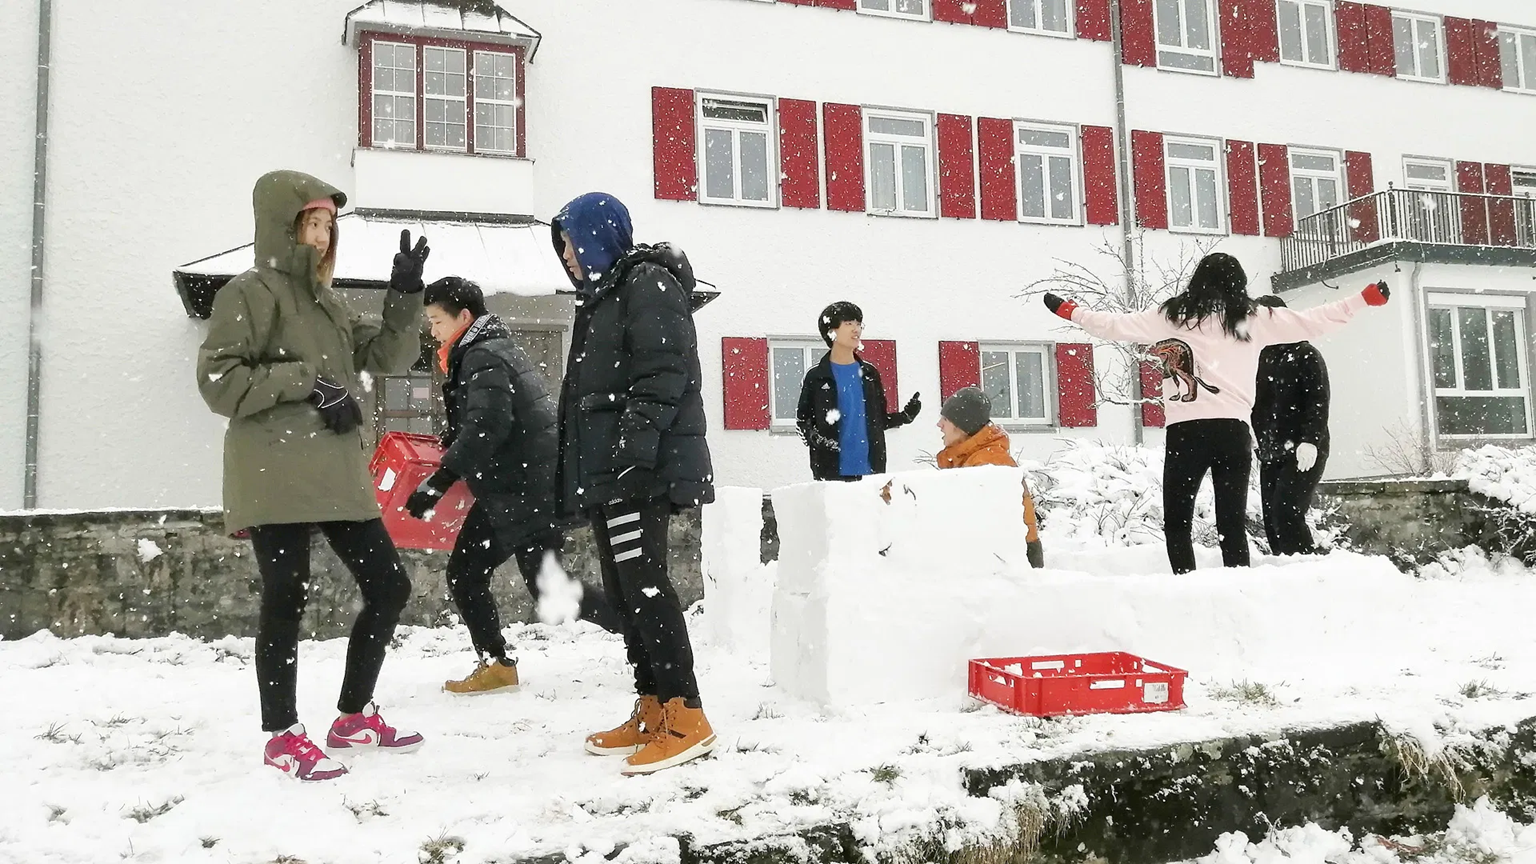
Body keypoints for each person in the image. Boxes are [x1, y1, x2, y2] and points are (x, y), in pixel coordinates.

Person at [196, 170, 428, 781]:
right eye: (312, 223)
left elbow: (389, 356)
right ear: (285, 225)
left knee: (389, 587)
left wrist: (404, 295)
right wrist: (307, 383)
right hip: (274, 470)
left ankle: (352, 716)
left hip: (335, 472)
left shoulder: (327, 302)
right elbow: (218, 381)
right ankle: (282, 735)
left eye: (328, 225)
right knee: (287, 596)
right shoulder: (247, 293)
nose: (323, 236)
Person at [1042, 252, 1389, 575]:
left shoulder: (1171, 316)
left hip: (1186, 433)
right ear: (1239, 284)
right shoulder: (1252, 318)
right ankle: (1235, 585)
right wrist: (1362, 299)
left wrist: (1072, 312)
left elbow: (1114, 325)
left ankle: (1186, 582)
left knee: (1177, 521)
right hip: (1232, 433)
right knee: (1231, 523)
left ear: (1198, 281)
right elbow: (1312, 321)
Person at [550, 192, 716, 775]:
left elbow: (664, 372)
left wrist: (631, 451)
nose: (567, 256)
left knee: (645, 586)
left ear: (597, 236)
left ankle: (686, 715)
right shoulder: (602, 297)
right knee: (625, 593)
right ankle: (653, 708)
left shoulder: (647, 283)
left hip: (636, 473)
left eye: (571, 243)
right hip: (610, 474)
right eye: (562, 247)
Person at [406, 277, 621, 695]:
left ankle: (645, 635)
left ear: (463, 317)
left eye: (436, 321)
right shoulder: (488, 347)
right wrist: (456, 438)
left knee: (497, 579)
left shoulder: (481, 355)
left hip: (522, 488)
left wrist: (439, 481)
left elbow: (489, 424)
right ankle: (498, 664)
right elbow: (492, 417)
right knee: (497, 577)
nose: (432, 331)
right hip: (521, 485)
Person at [795, 301, 922, 481]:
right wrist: (816, 439)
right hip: (831, 472)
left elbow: (879, 421)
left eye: (858, 324)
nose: (856, 329)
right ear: (831, 331)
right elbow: (803, 420)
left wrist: (905, 416)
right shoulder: (817, 377)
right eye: (849, 324)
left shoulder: (869, 374)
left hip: (871, 471)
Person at [1251, 294, 1331, 556]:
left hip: (1302, 449)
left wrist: (1310, 441)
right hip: (1270, 450)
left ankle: (1303, 566)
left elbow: (1318, 401)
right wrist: (1254, 437)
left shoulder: (1305, 354)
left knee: (1287, 512)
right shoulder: (1260, 357)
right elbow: (1255, 405)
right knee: (1272, 519)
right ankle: (1284, 568)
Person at [936, 387, 1045, 568]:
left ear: (962, 426)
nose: (939, 424)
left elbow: (981, 523)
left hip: (1012, 561)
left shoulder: (988, 463)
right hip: (1003, 556)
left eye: (945, 419)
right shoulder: (972, 457)